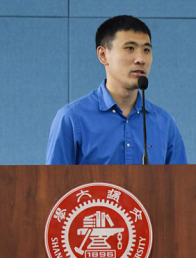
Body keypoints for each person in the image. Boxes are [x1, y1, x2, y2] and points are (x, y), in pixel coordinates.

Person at [46, 15, 187, 165]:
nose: (141, 59)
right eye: (130, 48)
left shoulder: (164, 123)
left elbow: (180, 180)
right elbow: (56, 180)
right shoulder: (72, 119)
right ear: (103, 55)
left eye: (146, 50)